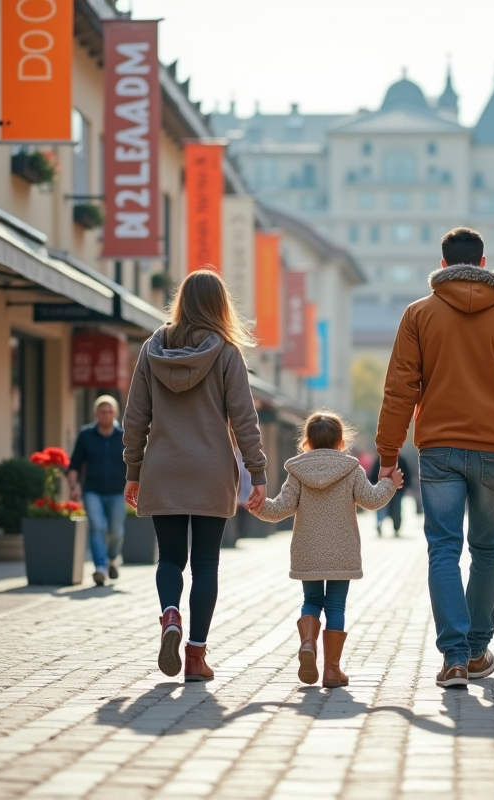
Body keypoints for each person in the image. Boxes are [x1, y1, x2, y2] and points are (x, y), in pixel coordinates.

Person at [376, 226, 494, 689]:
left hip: (437, 451)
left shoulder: (418, 314)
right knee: (488, 548)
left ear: (443, 266)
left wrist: (388, 455)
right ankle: (477, 650)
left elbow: (400, 389)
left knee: (443, 548)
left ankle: (453, 657)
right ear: (483, 262)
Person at [123, 266, 268, 683]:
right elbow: (244, 419)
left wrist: (133, 469)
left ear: (182, 302)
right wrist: (257, 474)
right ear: (220, 305)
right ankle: (196, 657)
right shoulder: (226, 353)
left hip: (162, 468)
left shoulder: (152, 349)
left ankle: (170, 613)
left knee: (169, 557)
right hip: (211, 471)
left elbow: (135, 418)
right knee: (206, 564)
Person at [252, 411, 401, 688]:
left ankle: (308, 642)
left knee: (311, 601)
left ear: (306, 442)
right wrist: (390, 484)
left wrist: (260, 507)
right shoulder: (351, 469)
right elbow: (371, 500)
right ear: (341, 441)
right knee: (335, 605)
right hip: (341, 550)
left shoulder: (297, 471)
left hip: (307, 550)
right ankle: (332, 670)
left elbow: (281, 508)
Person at [67, 395, 127, 587]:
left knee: (116, 531)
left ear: (116, 413)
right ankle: (100, 567)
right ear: (96, 413)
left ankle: (112, 558)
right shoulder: (86, 435)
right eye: (102, 411)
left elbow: (135, 463)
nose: (106, 415)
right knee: (97, 527)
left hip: (118, 491)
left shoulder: (124, 435)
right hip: (92, 490)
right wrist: (74, 486)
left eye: (110, 411)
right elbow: (74, 463)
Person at [371, 452, 411, 537]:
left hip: (396, 490)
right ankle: (382, 525)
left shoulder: (399, 460)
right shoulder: (381, 459)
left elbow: (406, 475)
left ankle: (392, 526)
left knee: (391, 509)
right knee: (386, 509)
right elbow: (374, 475)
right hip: (386, 490)